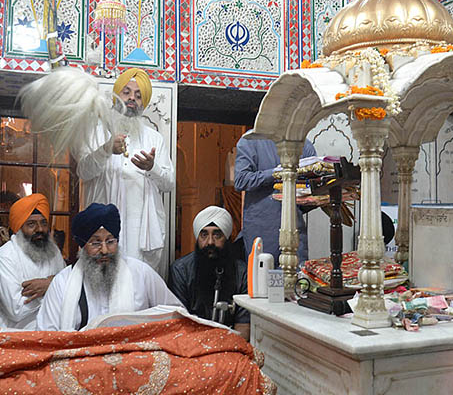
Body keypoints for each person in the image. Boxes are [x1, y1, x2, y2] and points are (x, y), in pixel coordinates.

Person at [77, 68, 174, 275]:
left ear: (143, 103)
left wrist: (152, 168)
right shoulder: (96, 133)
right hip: (103, 230)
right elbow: (83, 172)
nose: (132, 99)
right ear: (116, 96)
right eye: (127, 92)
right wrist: (106, 150)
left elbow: (169, 184)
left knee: (138, 283)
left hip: (141, 232)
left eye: (138, 95)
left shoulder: (154, 138)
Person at [37, 203, 182, 331]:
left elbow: (176, 315)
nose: (105, 250)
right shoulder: (62, 282)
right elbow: (46, 334)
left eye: (110, 241)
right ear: (82, 246)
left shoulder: (141, 273)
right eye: (95, 243)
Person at [168, 206, 250, 339]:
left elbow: (243, 325)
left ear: (226, 237)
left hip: (230, 342)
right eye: (204, 235)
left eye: (217, 235)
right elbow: (179, 323)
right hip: (192, 341)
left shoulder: (242, 272)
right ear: (197, 237)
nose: (210, 242)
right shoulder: (180, 270)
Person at [234, 135, 316, 263]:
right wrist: (275, 173)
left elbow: (313, 187)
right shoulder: (250, 140)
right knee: (262, 273)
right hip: (261, 230)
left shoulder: (304, 145)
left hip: (295, 230)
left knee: (297, 273)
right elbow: (241, 180)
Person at [0, 193, 65, 329]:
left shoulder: (53, 251)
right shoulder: (4, 257)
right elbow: (16, 310)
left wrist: (50, 284)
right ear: (18, 228)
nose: (40, 229)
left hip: (50, 332)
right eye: (31, 224)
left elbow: (67, 288)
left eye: (43, 223)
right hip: (13, 335)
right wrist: (52, 287)